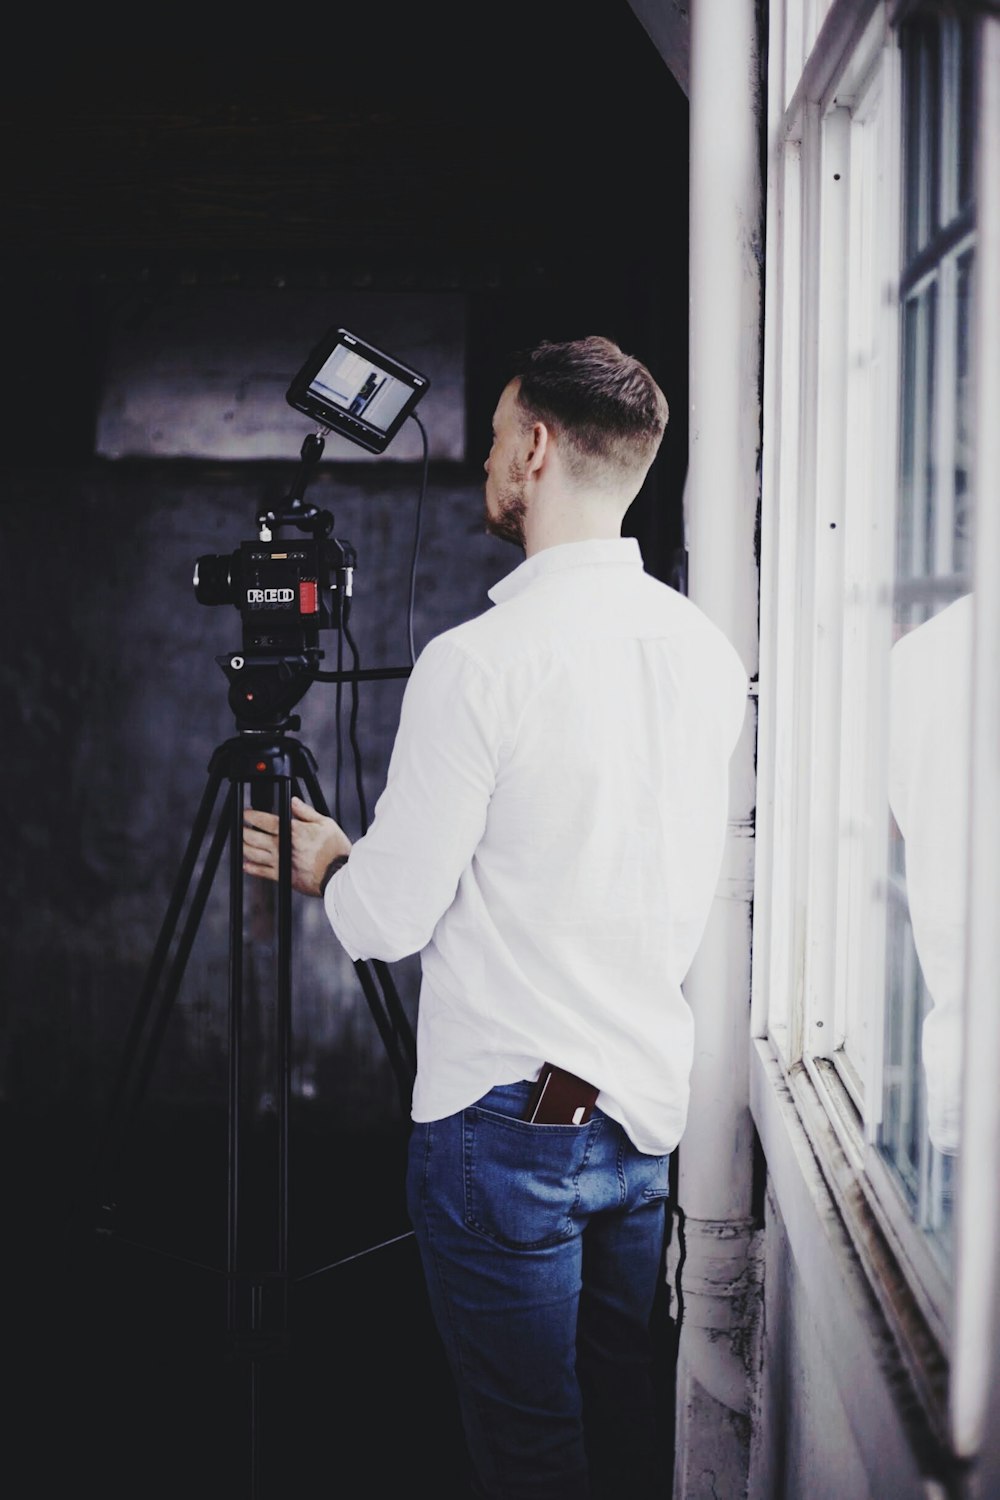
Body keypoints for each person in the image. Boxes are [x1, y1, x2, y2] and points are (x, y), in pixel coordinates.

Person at [242, 335, 748, 1499]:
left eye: (491, 439)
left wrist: (332, 866)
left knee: (527, 1453)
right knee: (624, 1434)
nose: (481, 462)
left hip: (503, 1131)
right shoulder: (706, 654)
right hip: (639, 1127)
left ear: (534, 448)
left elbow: (384, 921)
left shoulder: (478, 664)